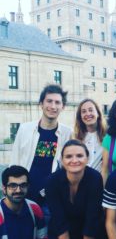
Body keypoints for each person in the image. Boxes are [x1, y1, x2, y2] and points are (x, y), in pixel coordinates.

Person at [10, 84, 72, 212]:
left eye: (57, 102)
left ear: (63, 106)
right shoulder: (25, 129)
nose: (53, 106)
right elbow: (14, 161)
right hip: (23, 195)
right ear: (41, 104)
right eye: (49, 101)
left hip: (50, 198)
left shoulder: (68, 133)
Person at [45, 139, 105, 239]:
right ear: (62, 160)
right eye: (68, 156)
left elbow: (92, 216)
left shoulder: (95, 178)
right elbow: (58, 217)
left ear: (87, 158)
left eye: (79, 156)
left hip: (89, 230)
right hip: (61, 231)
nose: (74, 160)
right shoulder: (52, 181)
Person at [0, 165, 47, 239]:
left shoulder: (34, 208)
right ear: (4, 188)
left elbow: (43, 236)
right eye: (13, 185)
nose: (18, 190)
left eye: (23, 185)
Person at [74, 98, 106, 172]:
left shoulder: (107, 136)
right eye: (84, 111)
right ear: (80, 116)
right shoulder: (75, 137)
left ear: (98, 113)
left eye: (91, 110)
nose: (88, 114)